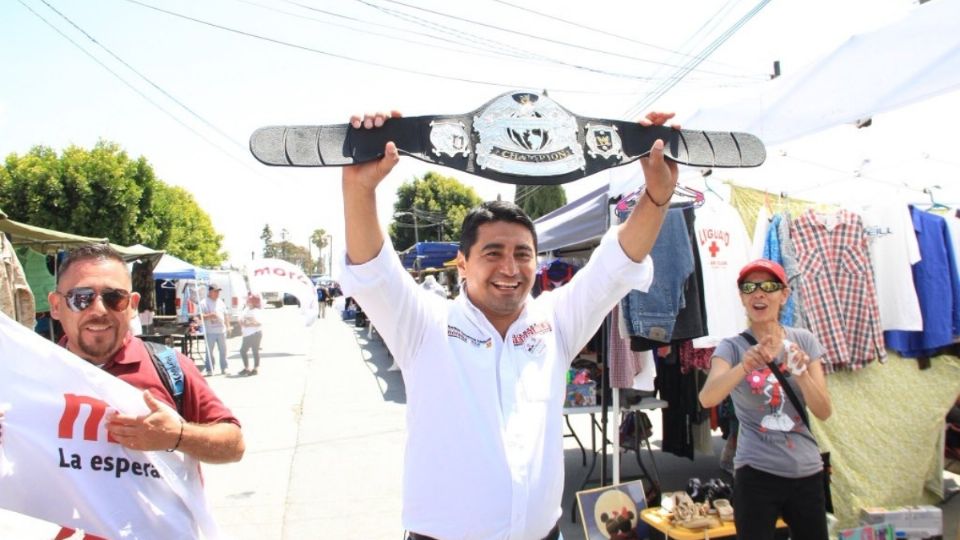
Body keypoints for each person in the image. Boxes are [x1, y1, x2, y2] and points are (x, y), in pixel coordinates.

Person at [340, 110, 678, 540]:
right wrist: (359, 187)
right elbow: (375, 271)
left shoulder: (555, 321)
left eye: (522, 254)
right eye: (492, 252)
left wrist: (658, 196)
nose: (510, 267)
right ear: (462, 263)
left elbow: (616, 264)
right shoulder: (424, 324)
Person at [47, 244, 244, 462]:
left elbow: (234, 446)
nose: (99, 310)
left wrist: (178, 436)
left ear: (132, 305)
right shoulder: (32, 372)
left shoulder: (169, 367)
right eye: (81, 297)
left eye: (114, 297)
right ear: (56, 306)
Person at [699, 259, 832, 540]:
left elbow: (823, 411)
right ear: (742, 297)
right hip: (756, 472)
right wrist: (744, 366)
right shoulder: (732, 347)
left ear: (784, 295)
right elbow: (707, 398)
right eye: (750, 287)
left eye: (769, 286)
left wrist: (802, 374)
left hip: (806, 472)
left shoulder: (804, 341)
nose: (759, 293)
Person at [201, 283, 230, 376]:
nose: (217, 293)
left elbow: (226, 314)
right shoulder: (203, 302)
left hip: (221, 330)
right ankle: (210, 369)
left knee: (223, 350)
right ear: (210, 292)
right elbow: (199, 316)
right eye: (215, 291)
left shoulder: (220, 302)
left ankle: (224, 368)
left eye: (218, 291)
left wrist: (228, 326)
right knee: (209, 351)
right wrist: (209, 316)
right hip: (210, 331)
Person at [238, 293, 263, 376]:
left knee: (254, 351)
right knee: (243, 351)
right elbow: (241, 318)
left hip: (255, 334)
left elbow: (259, 323)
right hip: (247, 334)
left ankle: (255, 368)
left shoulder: (257, 311)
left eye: (250, 301)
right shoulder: (247, 309)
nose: (248, 302)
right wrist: (242, 322)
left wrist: (249, 323)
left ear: (254, 302)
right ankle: (247, 368)